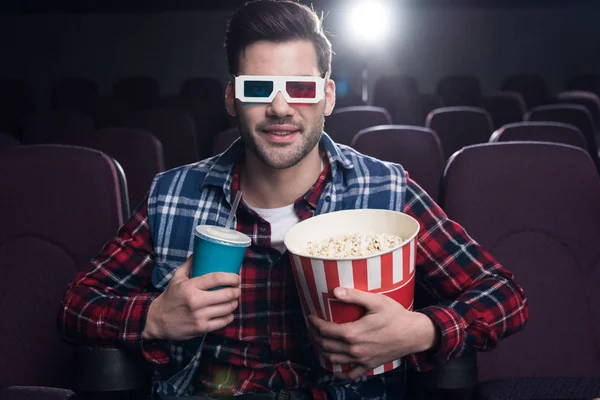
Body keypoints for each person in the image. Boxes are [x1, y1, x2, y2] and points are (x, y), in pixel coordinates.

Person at [57, 1, 528, 399]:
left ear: (327, 97)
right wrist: (154, 318)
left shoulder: (386, 191)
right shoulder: (173, 196)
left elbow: (504, 295)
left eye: (300, 89)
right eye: (258, 88)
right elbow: (77, 305)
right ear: (230, 99)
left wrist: (422, 331)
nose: (280, 108)